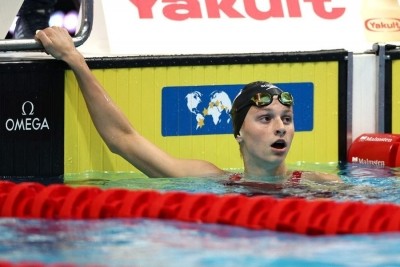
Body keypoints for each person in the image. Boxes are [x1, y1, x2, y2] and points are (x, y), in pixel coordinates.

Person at [34, 26, 341, 184]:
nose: (280, 128)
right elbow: (124, 141)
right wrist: (76, 61)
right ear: (239, 133)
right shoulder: (211, 181)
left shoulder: (321, 184)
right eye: (265, 119)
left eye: (286, 119)